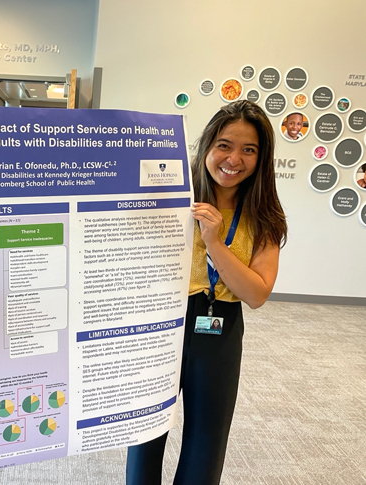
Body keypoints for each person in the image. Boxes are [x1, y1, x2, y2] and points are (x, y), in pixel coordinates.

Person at [126, 100, 287, 485]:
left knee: (207, 438)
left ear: (261, 159)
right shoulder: (170, 196)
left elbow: (257, 293)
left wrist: (215, 241)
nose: (234, 159)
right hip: (159, 320)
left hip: (219, 325)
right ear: (206, 146)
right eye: (225, 145)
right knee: (145, 433)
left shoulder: (264, 215)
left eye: (249, 150)